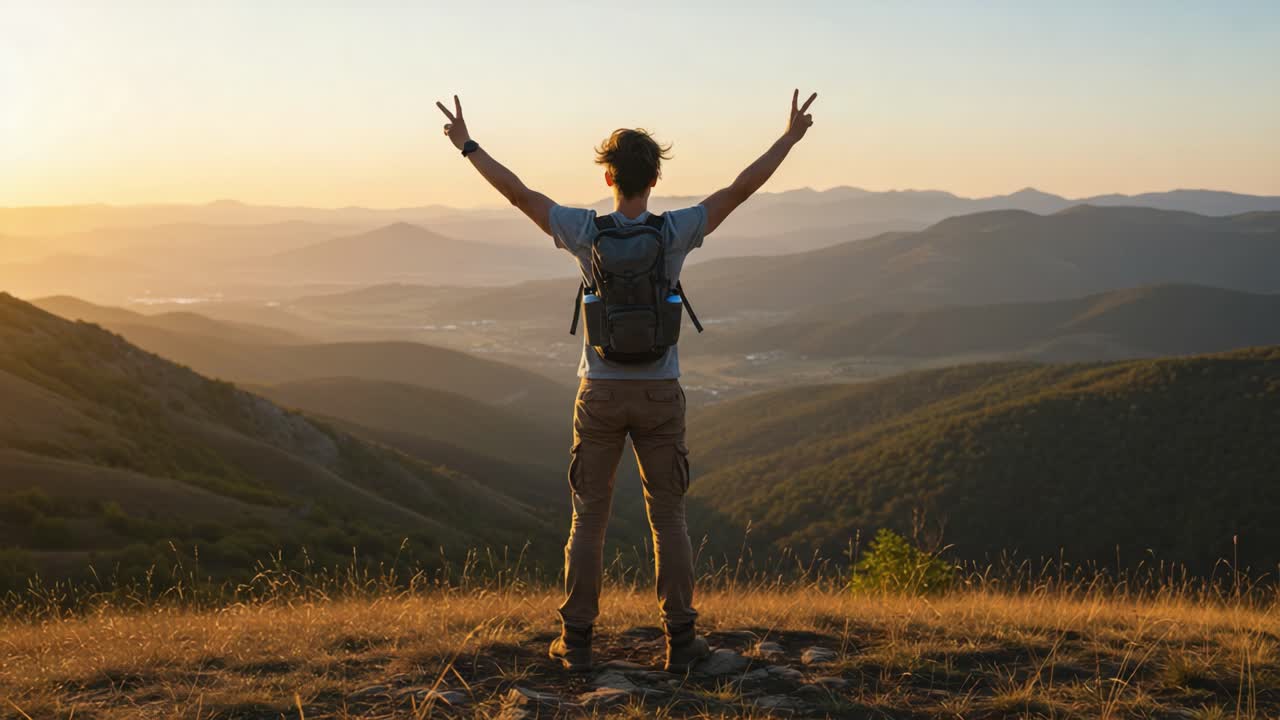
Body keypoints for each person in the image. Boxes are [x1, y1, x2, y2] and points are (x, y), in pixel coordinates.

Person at [434, 90, 818, 672]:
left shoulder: (583, 230)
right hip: (662, 392)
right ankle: (683, 641)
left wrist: (468, 146)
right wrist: (789, 139)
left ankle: (578, 642)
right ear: (655, 177)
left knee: (589, 516)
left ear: (608, 175)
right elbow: (741, 189)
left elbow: (519, 194)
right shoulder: (675, 231)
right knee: (670, 518)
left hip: (600, 392)